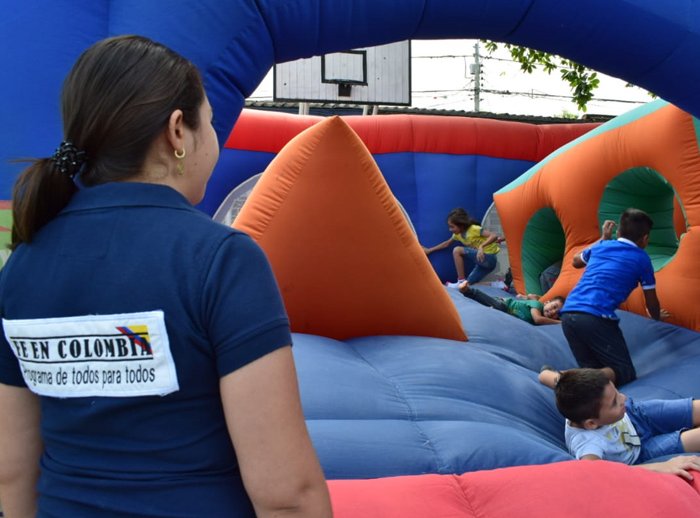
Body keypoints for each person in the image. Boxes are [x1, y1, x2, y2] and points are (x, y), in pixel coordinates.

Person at [0, 35, 332, 518]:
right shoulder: (220, 259)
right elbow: (287, 495)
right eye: (212, 125)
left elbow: (12, 471)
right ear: (178, 131)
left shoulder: (23, 265)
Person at [539, 209, 666, 389]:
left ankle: (552, 376)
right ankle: (562, 377)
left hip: (568, 314)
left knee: (593, 372)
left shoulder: (601, 246)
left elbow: (575, 261)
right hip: (596, 317)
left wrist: (603, 239)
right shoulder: (642, 258)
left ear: (618, 233)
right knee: (623, 372)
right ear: (645, 239)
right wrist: (656, 318)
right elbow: (651, 300)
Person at [554, 368, 700, 480]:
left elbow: (557, 381)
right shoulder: (589, 444)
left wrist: (545, 375)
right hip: (639, 453)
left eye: (617, 393)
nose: (623, 397)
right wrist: (662, 466)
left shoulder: (574, 395)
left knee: (695, 409)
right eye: (614, 402)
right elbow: (594, 473)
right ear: (591, 424)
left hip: (635, 414)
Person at [422, 207, 502, 288]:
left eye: (452, 227)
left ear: (461, 225)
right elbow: (446, 244)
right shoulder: (457, 235)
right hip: (483, 263)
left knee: (457, 250)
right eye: (449, 227)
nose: (450, 229)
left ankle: (460, 280)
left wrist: (481, 246)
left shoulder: (473, 229)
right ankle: (497, 284)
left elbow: (493, 235)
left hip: (489, 257)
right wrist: (429, 250)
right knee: (466, 286)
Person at [458, 283, 564, 325]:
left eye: (557, 314)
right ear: (547, 302)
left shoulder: (538, 307)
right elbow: (538, 319)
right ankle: (468, 291)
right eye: (554, 307)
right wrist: (560, 323)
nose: (553, 312)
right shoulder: (537, 305)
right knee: (500, 307)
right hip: (504, 305)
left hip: (506, 314)